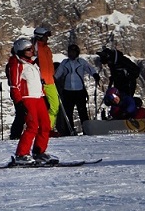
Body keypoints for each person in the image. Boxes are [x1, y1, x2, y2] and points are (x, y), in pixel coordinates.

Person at [7, 37, 55, 166]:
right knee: (32, 126)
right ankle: (21, 154)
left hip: (38, 98)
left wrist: (44, 97)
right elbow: (14, 85)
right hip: (27, 99)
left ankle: (39, 151)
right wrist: (19, 102)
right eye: (28, 49)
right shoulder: (17, 64)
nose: (31, 51)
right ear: (21, 51)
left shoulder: (32, 64)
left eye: (31, 49)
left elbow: (38, 82)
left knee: (45, 125)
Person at [54, 44, 100, 134]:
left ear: (77, 53)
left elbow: (89, 69)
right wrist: (53, 79)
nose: (71, 54)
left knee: (82, 112)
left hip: (79, 91)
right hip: (67, 91)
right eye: (70, 52)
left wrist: (95, 75)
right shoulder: (64, 62)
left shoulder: (81, 62)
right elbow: (58, 74)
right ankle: (69, 131)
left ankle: (86, 131)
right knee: (68, 113)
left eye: (73, 52)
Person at [32, 27, 62, 130]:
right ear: (40, 37)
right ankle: (44, 129)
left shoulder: (46, 48)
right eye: (45, 36)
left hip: (50, 81)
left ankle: (47, 128)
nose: (47, 38)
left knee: (55, 106)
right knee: (41, 108)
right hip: (41, 82)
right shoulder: (35, 48)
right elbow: (32, 64)